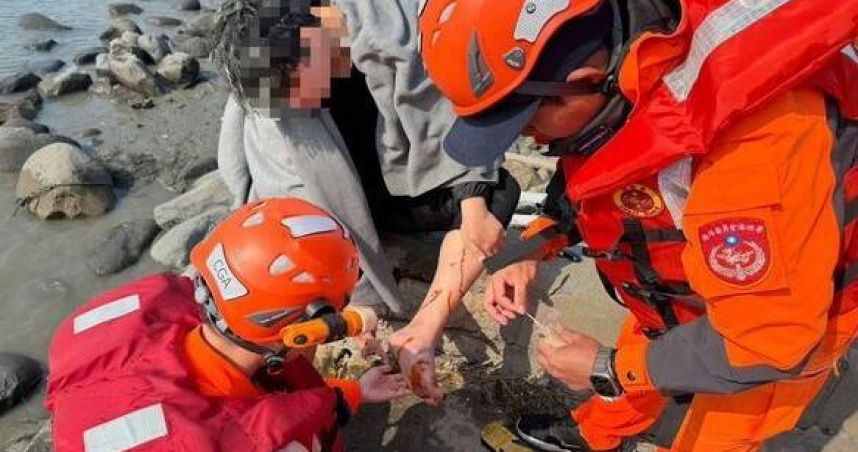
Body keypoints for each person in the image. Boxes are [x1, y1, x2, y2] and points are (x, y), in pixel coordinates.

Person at [418, 0, 858, 450]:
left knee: (712, 432)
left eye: (525, 121)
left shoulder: (754, 147)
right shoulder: (623, 72)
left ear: (582, 83)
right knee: (646, 348)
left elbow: (769, 342)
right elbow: (596, 181)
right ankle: (599, 435)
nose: (531, 139)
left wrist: (608, 367)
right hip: (674, 295)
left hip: (775, 328)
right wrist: (532, 248)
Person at [212, 0, 521, 404]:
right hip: (353, 200)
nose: (294, 104)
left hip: (406, 181)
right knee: (287, 251)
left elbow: (467, 119)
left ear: (313, 35)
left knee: (497, 191)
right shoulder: (271, 96)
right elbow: (289, 203)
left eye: (294, 86)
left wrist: (473, 200)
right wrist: (350, 308)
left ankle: (424, 328)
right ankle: (274, 389)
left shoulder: (408, 29)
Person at [45, 198, 411, 451]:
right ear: (302, 331)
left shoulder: (141, 311)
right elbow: (263, 427)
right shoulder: (270, 444)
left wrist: (355, 391)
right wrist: (334, 403)